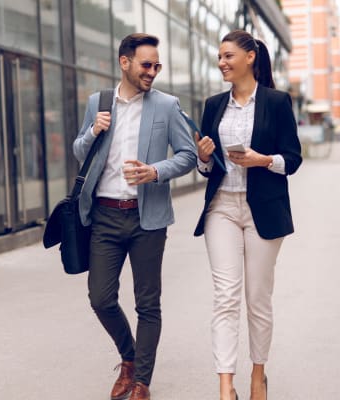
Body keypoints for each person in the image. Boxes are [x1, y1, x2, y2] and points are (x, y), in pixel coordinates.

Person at [73, 33, 197, 400]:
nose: (153, 72)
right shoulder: (98, 102)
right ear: (124, 63)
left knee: (148, 303)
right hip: (106, 216)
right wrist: (93, 130)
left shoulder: (167, 105)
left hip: (148, 219)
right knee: (101, 298)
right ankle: (128, 358)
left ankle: (141, 380)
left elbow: (188, 154)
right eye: (146, 64)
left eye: (157, 66)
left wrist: (155, 171)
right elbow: (81, 151)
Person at [194, 30, 302, 400]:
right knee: (225, 297)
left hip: (263, 211)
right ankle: (226, 386)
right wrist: (205, 157)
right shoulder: (213, 105)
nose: (222, 62)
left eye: (228, 56)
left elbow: (293, 160)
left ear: (250, 57)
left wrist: (262, 160)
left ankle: (258, 375)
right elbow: (206, 169)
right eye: (220, 57)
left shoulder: (276, 101)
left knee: (257, 298)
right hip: (221, 207)